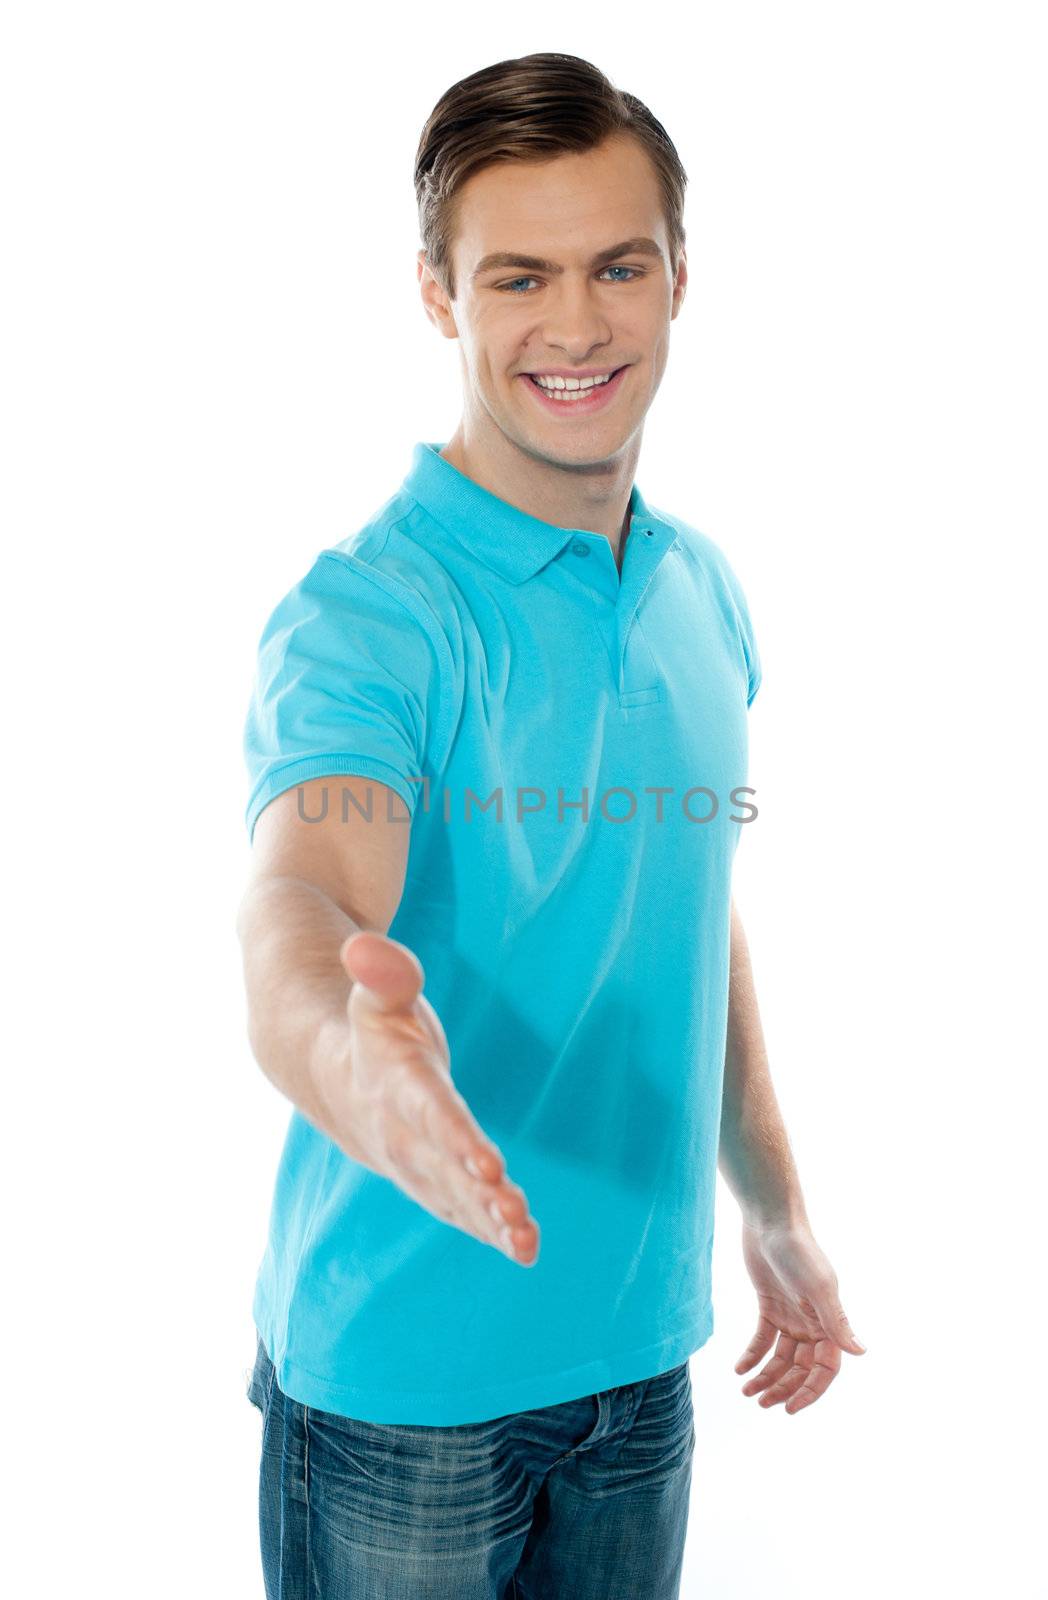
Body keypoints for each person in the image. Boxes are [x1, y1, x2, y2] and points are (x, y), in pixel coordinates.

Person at [237, 50, 866, 1600]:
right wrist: (352, 1066)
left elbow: (686, 900)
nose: (576, 326)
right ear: (442, 298)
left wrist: (773, 1207)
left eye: (617, 268)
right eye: (519, 276)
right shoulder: (369, 620)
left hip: (641, 1365)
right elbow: (302, 904)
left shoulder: (701, 588)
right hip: (404, 1395)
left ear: (677, 280)